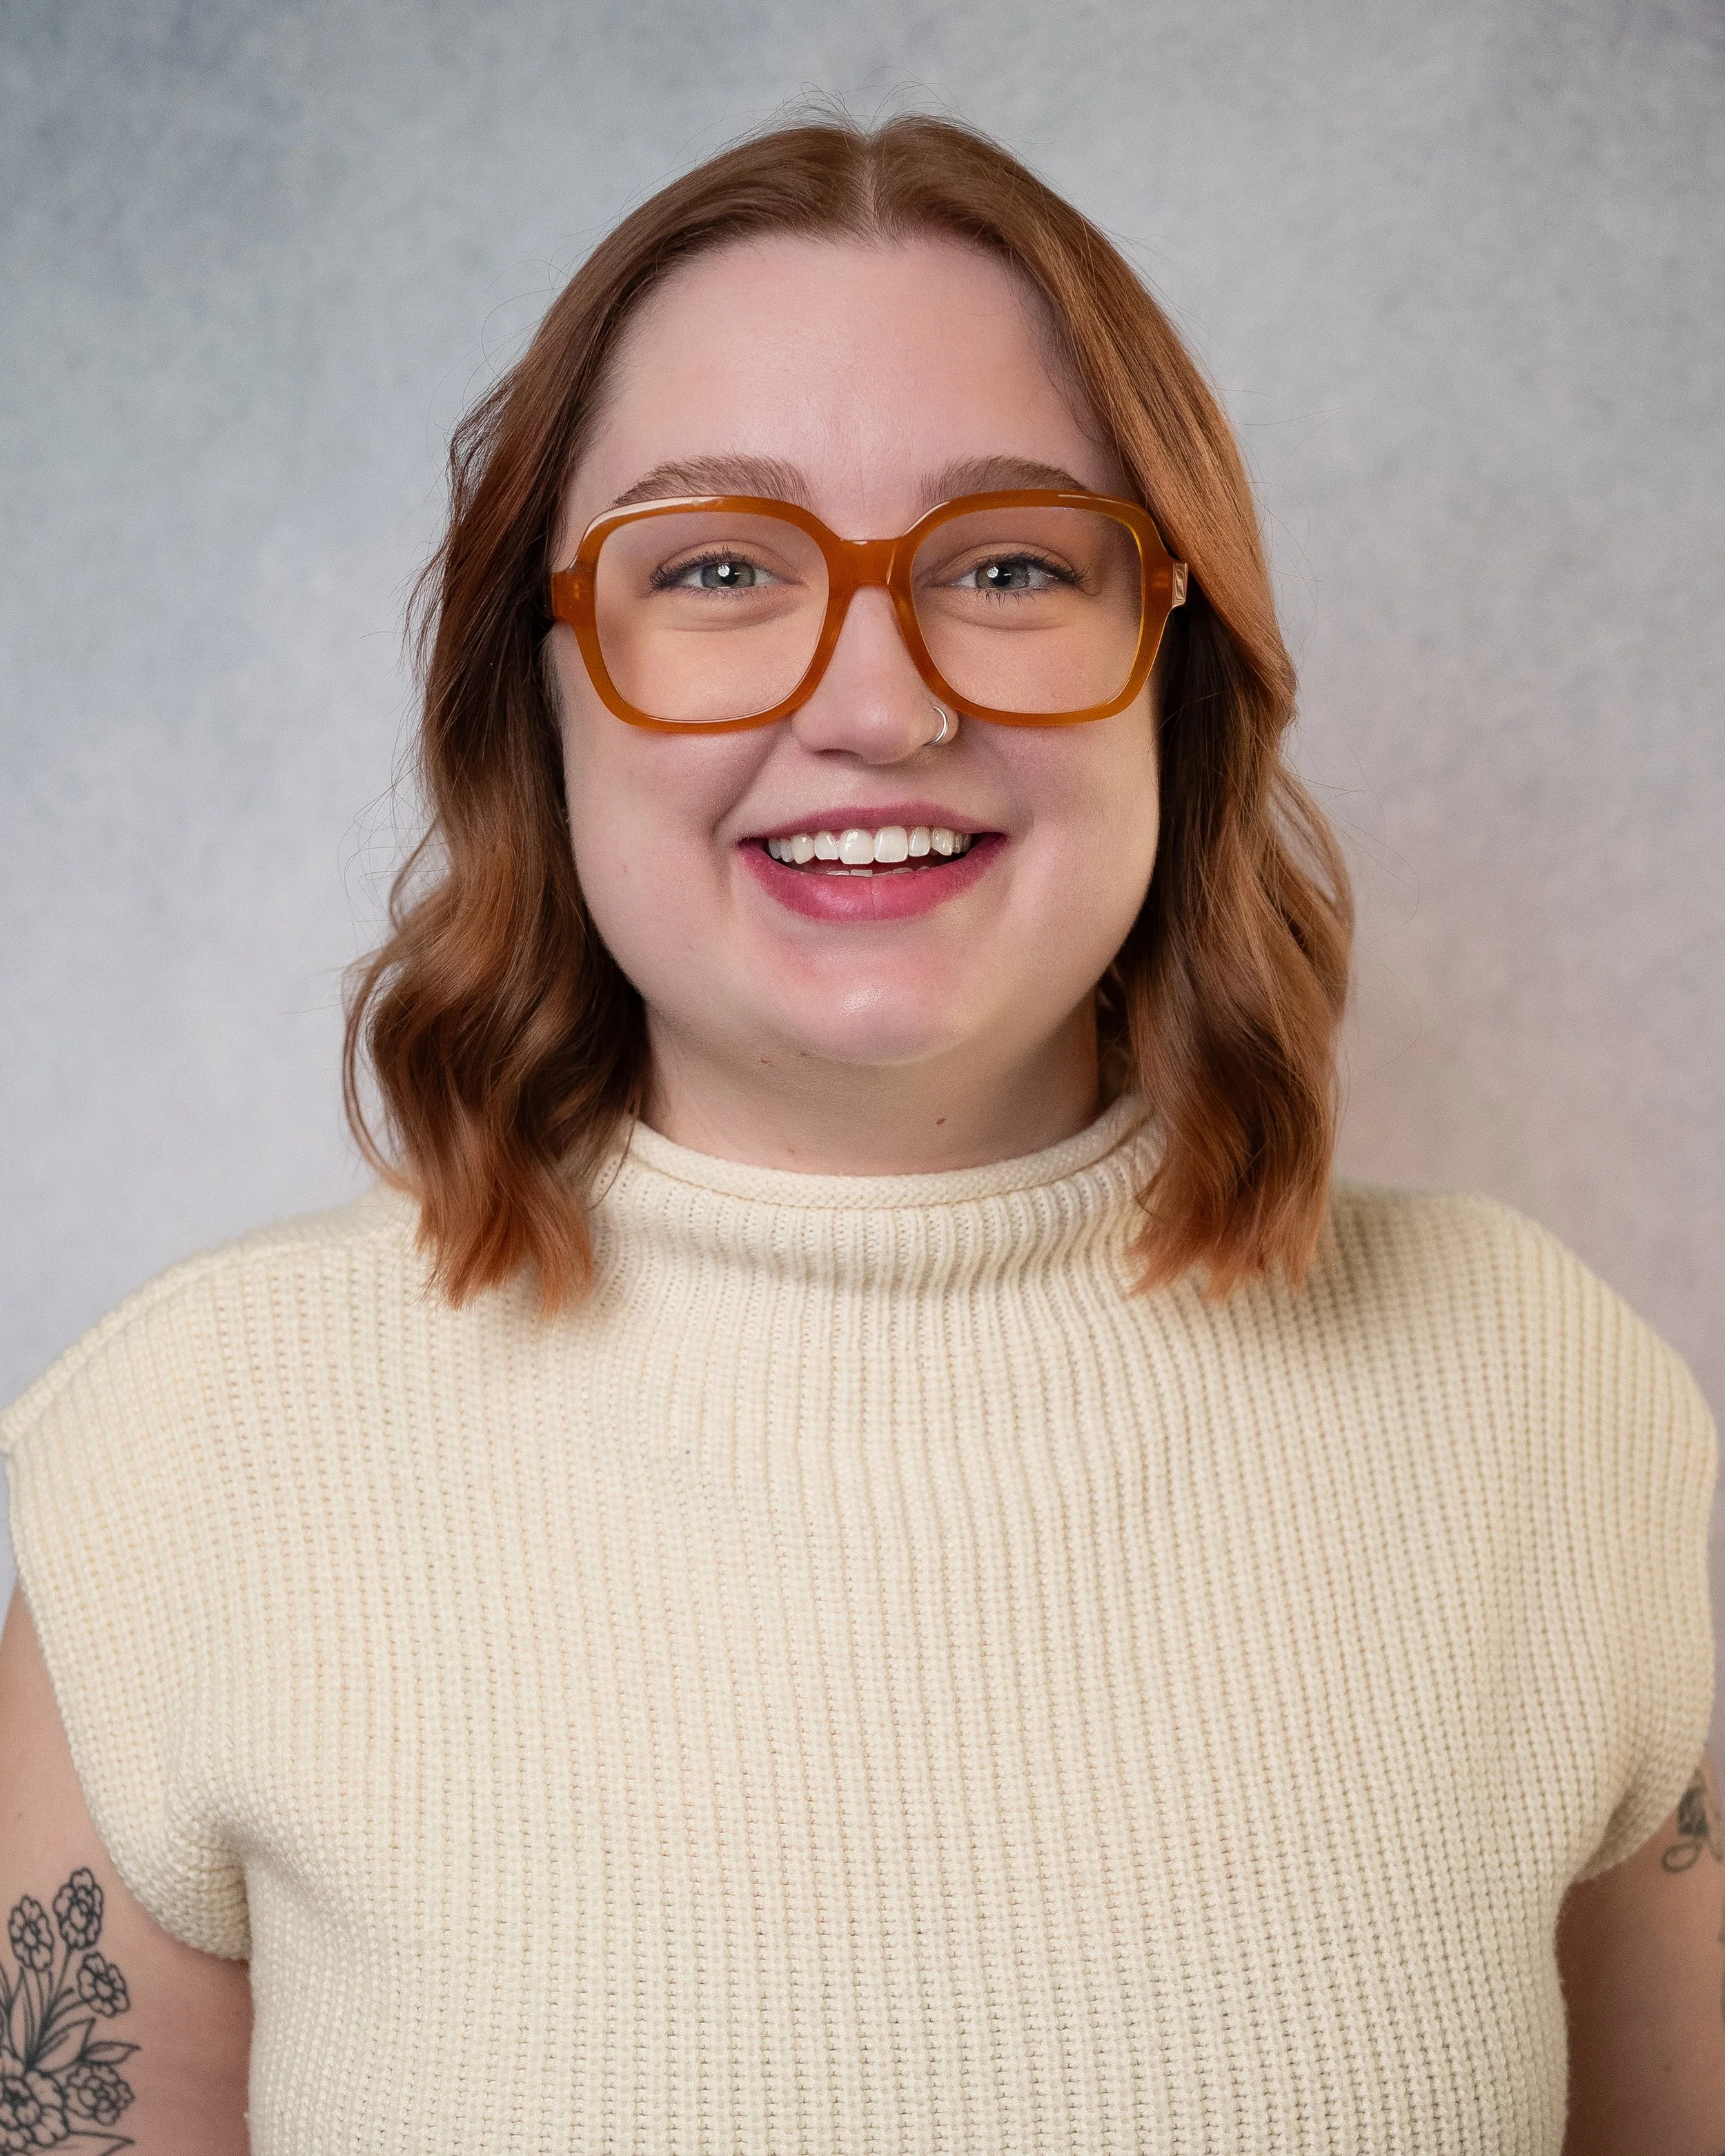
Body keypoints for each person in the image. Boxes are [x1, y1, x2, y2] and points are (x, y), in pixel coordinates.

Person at [0, 112, 1716, 2155]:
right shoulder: (187, 1448)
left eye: (1008, 562)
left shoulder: (1544, 1394)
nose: (878, 701)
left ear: (1174, 675)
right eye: (717, 567)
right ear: (529, 691)